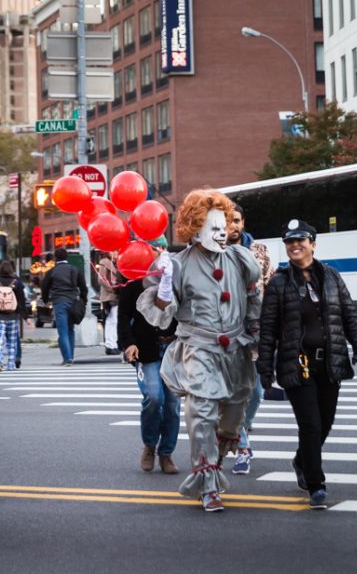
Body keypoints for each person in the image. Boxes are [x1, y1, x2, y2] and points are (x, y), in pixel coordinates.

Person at [139, 188, 261, 513]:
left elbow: (254, 303)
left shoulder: (240, 259)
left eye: (225, 227)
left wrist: (258, 338)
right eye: (214, 227)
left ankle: (216, 460)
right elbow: (162, 312)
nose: (222, 234)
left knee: (232, 421)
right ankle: (208, 484)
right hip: (199, 349)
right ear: (195, 227)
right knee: (201, 415)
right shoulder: (177, 265)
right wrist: (165, 287)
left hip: (236, 350)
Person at [258, 219, 357, 510]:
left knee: (326, 423)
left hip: (330, 362)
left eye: (301, 240)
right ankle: (316, 485)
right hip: (298, 364)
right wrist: (265, 368)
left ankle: (301, 460)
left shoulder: (331, 277)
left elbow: (349, 316)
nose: (295, 246)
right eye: (290, 242)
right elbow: (268, 329)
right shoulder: (279, 283)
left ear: (313, 244)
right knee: (310, 424)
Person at [117, 235, 180, 475]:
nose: (157, 251)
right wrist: (128, 343)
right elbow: (123, 315)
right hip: (146, 350)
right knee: (154, 398)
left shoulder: (175, 275)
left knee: (173, 404)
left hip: (174, 348)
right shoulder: (133, 278)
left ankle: (167, 454)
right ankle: (149, 446)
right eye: (152, 247)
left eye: (160, 247)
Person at [226, 205, 274, 476]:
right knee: (234, 393)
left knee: (256, 392)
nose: (231, 226)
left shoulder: (260, 251)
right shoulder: (213, 252)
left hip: (256, 330)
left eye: (236, 220)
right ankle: (242, 447)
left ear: (243, 222)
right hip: (226, 332)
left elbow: (270, 285)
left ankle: (245, 423)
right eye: (226, 221)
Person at [40, 247, 88, 366]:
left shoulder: (52, 271)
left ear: (55, 258)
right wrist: (83, 300)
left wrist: (46, 300)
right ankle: (70, 356)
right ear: (67, 257)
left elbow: (44, 287)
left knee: (63, 332)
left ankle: (67, 358)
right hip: (72, 302)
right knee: (71, 330)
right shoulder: (74, 270)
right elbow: (83, 287)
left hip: (59, 303)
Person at [0, 259, 30, 371]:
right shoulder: (16, 283)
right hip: (12, 315)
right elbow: (21, 301)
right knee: (12, 341)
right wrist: (26, 317)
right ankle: (11, 364)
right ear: (11, 270)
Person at [97, 251, 121, 355]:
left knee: (113, 320)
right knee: (112, 320)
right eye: (113, 251)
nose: (115, 253)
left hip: (115, 295)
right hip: (109, 295)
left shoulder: (116, 262)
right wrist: (112, 287)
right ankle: (110, 344)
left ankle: (112, 344)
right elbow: (101, 279)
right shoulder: (105, 262)